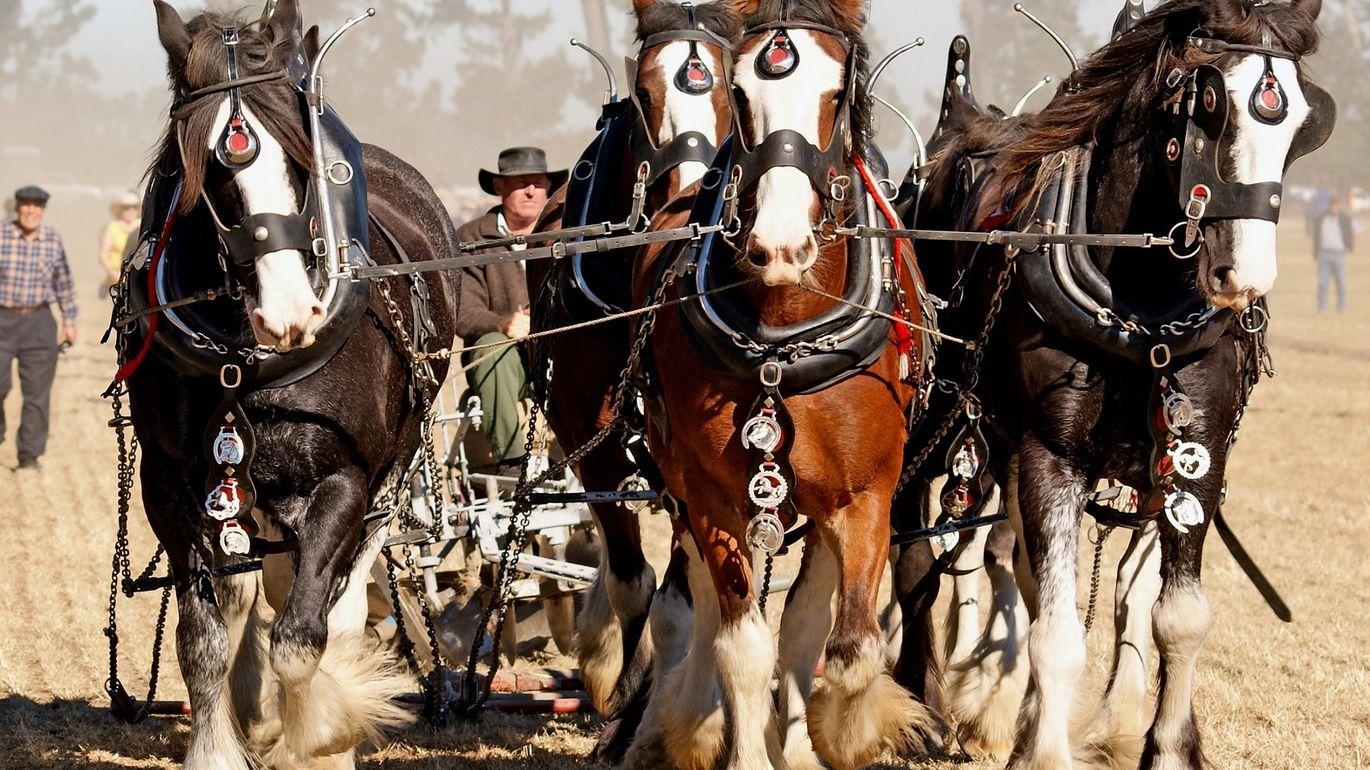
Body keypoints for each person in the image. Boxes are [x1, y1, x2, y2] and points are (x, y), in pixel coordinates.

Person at [454, 147, 567, 464]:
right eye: (520, 183)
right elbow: (462, 311)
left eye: (538, 183)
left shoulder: (570, 231)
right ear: (500, 187)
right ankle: (513, 463)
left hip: (562, 355)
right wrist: (503, 324)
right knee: (492, 346)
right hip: (507, 365)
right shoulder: (470, 238)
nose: (531, 191)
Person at [0, 186, 78, 470]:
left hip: (39, 322)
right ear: (17, 208)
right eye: (26, 205)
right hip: (2, 319)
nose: (31, 211)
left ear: (43, 210)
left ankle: (29, 456)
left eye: (37, 206)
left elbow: (64, 283)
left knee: (36, 395)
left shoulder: (52, 239)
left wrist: (69, 321)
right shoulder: (2, 235)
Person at [1313, 193, 1355, 313]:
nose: (1334, 208)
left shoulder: (1345, 219)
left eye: (1336, 205)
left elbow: (1349, 235)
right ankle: (1322, 308)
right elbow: (1317, 237)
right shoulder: (1321, 219)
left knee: (1341, 283)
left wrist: (1349, 248)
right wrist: (1316, 252)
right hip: (1325, 254)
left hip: (1339, 254)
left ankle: (1341, 307)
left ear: (1339, 206)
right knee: (1322, 283)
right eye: (1332, 205)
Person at [99, 191, 141, 298]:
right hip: (114, 279)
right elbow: (103, 256)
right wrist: (116, 275)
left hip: (137, 278)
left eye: (134, 207)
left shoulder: (142, 226)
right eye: (127, 207)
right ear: (120, 209)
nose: (131, 211)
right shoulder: (112, 228)